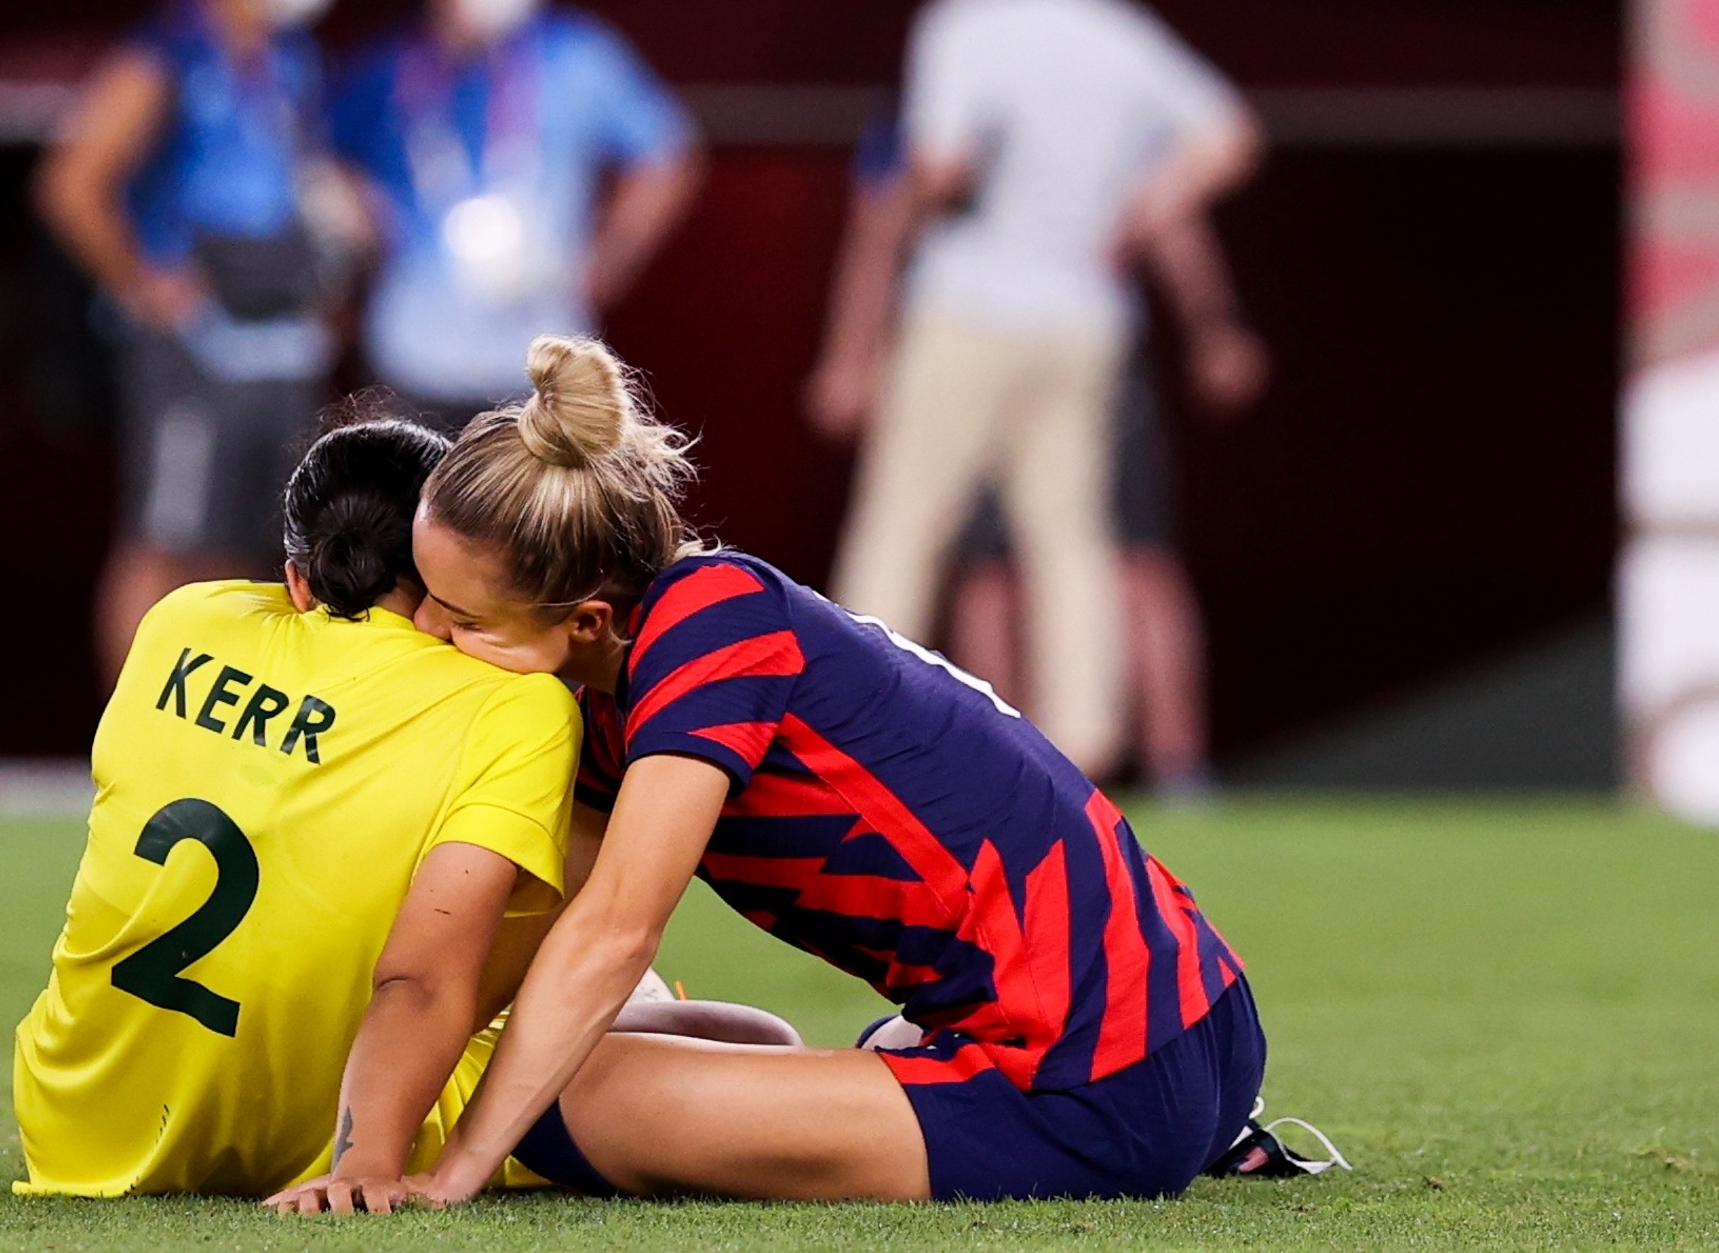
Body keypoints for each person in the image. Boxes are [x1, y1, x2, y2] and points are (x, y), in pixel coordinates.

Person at [340, 335, 1291, 1210]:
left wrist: (455, 1170)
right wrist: (363, 1151)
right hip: (1192, 1021)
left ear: (586, 620)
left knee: (555, 1103)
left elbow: (614, 932)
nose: (429, 632)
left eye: (463, 620)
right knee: (537, 1056)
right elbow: (526, 934)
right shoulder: (633, 679)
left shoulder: (709, 628)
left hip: (1097, 1083)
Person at [13, 413, 582, 1199]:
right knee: (618, 970)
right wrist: (365, 1167)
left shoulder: (182, 618)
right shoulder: (515, 707)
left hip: (77, 1121)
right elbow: (422, 979)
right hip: (331, 1131)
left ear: (298, 576)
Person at [804, 0, 1262, 778]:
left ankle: (848, 722)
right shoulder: (1111, 26)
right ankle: (1084, 735)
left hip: (970, 303)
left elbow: (938, 163)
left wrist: (896, 230)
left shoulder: (965, 21)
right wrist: (1138, 214)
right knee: (1070, 533)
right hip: (1084, 315)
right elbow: (1228, 135)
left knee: (905, 515)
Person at [37, 0, 358, 681]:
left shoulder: (290, 55)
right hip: (196, 342)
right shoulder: (169, 48)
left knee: (257, 549)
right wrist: (143, 280)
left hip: (279, 335)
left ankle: (221, 739)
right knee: (166, 537)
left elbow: (291, 180)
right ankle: (127, 741)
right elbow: (72, 181)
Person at [329, 0, 702, 428]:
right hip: (414, 356)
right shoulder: (386, 69)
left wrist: (613, 254)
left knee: (535, 514)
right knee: (414, 508)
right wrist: (368, 229)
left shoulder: (575, 54)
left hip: (542, 363)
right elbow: (318, 160)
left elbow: (670, 152)